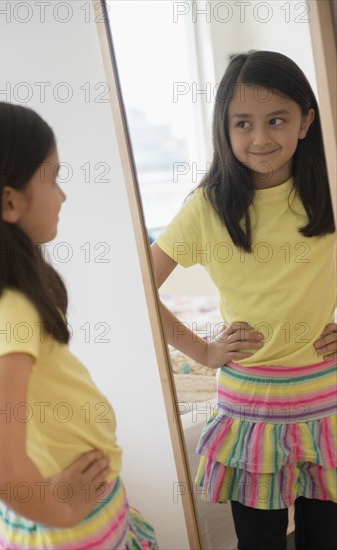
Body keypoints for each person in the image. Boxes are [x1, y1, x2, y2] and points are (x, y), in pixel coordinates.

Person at [151, 51, 336, 550]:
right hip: (250, 408)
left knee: (326, 538)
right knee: (260, 543)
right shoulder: (207, 209)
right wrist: (204, 352)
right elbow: (140, 290)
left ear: (305, 122)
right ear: (223, 128)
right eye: (242, 123)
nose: (260, 138)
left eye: (277, 120)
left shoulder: (328, 194)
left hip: (327, 403)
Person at [0, 99, 158, 550]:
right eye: (53, 178)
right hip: (67, 528)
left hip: (78, 511)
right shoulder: (11, 312)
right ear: (9, 202)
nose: (63, 194)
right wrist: (62, 509)